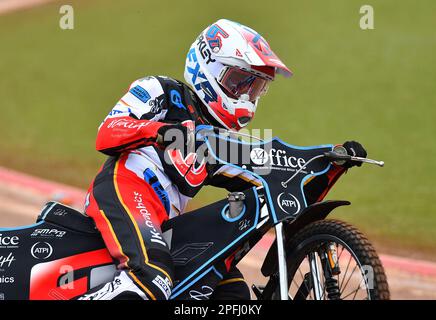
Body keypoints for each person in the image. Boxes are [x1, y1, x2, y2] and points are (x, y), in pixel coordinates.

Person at [78, 19, 367, 300]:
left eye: (254, 88)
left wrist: (330, 162)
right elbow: (107, 133)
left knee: (231, 293)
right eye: (239, 82)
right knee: (154, 278)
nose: (245, 96)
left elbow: (276, 175)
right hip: (123, 190)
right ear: (206, 65)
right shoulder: (162, 90)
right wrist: (161, 131)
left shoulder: (219, 142)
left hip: (165, 223)